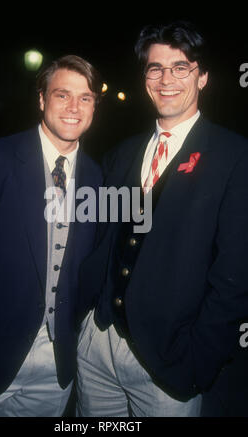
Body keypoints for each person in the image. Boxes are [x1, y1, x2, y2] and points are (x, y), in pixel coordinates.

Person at [76, 21, 248, 417]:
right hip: (98, 346)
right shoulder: (122, 153)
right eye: (155, 68)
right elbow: (102, 241)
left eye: (180, 67)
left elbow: (235, 276)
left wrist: (199, 358)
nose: (166, 78)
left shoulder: (234, 157)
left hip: (170, 360)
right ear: (144, 78)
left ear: (202, 77)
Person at [0, 55, 102, 417]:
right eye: (62, 95)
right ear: (41, 99)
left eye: (85, 98)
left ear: (96, 105)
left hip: (56, 369)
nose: (73, 108)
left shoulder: (98, 177)